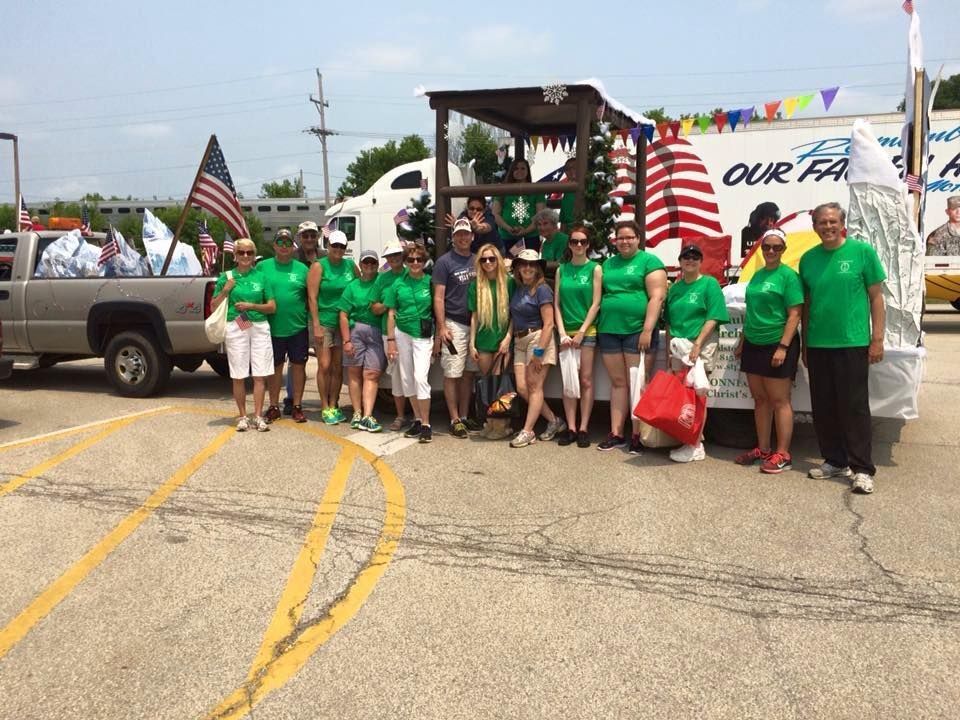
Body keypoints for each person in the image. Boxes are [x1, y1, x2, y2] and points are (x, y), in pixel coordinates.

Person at [800, 202, 886, 494]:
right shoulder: (808, 259)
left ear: (842, 223)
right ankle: (834, 460)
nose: (827, 227)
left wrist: (877, 339)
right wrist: (804, 344)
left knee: (854, 407)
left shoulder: (862, 253)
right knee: (823, 407)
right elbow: (808, 304)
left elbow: (876, 298)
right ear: (815, 227)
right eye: (822, 222)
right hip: (818, 343)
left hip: (853, 342)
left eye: (832, 221)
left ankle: (862, 468)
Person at [733, 228, 803, 473]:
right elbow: (752, 311)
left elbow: (795, 313)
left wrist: (783, 347)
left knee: (779, 400)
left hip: (777, 342)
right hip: (754, 342)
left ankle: (783, 453)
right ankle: (763, 449)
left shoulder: (788, 276)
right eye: (767, 247)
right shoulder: (758, 275)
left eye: (777, 247)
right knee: (760, 400)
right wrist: (742, 340)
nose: (771, 251)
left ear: (784, 250)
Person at [596, 220, 668, 454]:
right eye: (620, 238)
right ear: (615, 240)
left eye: (629, 237)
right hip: (609, 329)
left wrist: (647, 330)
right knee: (618, 383)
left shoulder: (649, 261)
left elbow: (656, 298)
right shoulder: (608, 263)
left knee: (638, 384)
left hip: (637, 331)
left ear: (638, 238)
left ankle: (638, 434)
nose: (625, 241)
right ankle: (617, 433)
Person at [664, 242, 730, 463]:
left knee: (697, 396)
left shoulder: (709, 284)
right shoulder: (674, 288)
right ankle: (687, 438)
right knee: (683, 396)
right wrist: (668, 353)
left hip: (699, 347)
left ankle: (696, 444)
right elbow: (669, 323)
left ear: (701, 261)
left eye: (695, 257)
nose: (690, 260)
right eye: (686, 257)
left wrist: (698, 344)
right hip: (678, 348)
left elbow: (713, 316)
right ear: (680, 262)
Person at [210, 238, 276, 432]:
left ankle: (257, 416)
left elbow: (272, 307)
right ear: (235, 255)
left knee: (259, 374)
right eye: (241, 253)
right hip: (237, 325)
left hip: (259, 325)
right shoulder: (227, 276)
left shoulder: (262, 277)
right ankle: (243, 416)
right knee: (238, 374)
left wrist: (251, 306)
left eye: (249, 253)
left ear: (254, 255)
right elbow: (213, 305)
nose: (245, 256)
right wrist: (225, 290)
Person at [508, 249, 565, 448]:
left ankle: (528, 431)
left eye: (532, 264)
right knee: (523, 388)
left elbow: (549, 323)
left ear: (538, 268)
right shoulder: (518, 287)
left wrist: (539, 352)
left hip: (538, 339)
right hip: (520, 341)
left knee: (534, 387)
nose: (528, 267)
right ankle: (554, 420)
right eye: (523, 263)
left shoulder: (542, 289)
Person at [553, 224, 602, 448]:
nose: (579, 245)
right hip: (565, 332)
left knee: (585, 379)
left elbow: (596, 303)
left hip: (587, 332)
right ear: (569, 244)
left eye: (583, 241)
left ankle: (583, 427)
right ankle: (571, 427)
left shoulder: (595, 269)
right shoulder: (561, 269)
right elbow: (556, 304)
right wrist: (562, 332)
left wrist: (582, 332)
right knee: (568, 381)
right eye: (574, 242)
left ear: (588, 244)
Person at [433, 217, 480, 438]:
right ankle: (453, 418)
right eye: (458, 234)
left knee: (469, 373)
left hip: (474, 323)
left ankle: (463, 415)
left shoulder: (478, 259)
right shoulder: (444, 262)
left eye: (466, 233)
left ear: (472, 236)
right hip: (454, 323)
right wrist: (441, 327)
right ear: (453, 237)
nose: (462, 237)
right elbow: (439, 297)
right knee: (452, 372)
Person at [384, 245, 437, 444]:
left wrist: (439, 337)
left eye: (419, 260)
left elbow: (438, 309)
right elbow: (390, 313)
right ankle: (417, 419)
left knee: (420, 377)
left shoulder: (430, 282)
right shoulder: (398, 283)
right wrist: (391, 342)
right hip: (402, 333)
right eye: (411, 260)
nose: (415, 263)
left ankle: (426, 423)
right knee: (407, 379)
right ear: (406, 262)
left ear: (424, 262)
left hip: (422, 335)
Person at [307, 230, 358, 425]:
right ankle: (324, 405)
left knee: (338, 367)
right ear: (328, 246)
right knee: (324, 365)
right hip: (325, 321)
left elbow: (360, 286)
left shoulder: (350, 265)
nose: (338, 250)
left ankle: (334, 404)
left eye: (341, 246)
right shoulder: (319, 266)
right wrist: (317, 325)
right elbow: (312, 297)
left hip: (344, 323)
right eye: (334, 246)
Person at [259, 229, 309, 424]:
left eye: (288, 243)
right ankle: (273, 406)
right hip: (272, 328)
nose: (284, 246)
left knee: (298, 367)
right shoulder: (262, 267)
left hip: (298, 327)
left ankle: (297, 406)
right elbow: (252, 292)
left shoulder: (302, 269)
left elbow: (311, 296)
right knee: (275, 368)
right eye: (280, 242)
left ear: (293, 246)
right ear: (274, 245)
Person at [468, 243, 514, 439]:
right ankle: (490, 423)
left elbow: (514, 314)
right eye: (484, 259)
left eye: (492, 259)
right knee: (487, 384)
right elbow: (474, 316)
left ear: (498, 261)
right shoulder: (476, 285)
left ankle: (502, 426)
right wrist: (471, 343)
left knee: (500, 384)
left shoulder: (510, 283)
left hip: (503, 339)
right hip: (484, 339)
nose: (488, 262)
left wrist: (508, 338)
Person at [338, 249, 386, 432]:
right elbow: (343, 314)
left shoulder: (381, 283)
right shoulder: (352, 286)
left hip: (376, 331)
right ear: (360, 264)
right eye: (366, 263)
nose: (369, 266)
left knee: (372, 373)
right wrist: (346, 340)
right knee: (354, 373)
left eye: (373, 263)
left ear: (377, 265)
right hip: (356, 330)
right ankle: (357, 412)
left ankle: (368, 414)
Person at [281, 220, 325, 416]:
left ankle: (330, 399)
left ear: (317, 237)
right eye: (305, 235)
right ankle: (292, 398)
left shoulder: (325, 256)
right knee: (296, 361)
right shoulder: (291, 257)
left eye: (312, 235)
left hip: (322, 315)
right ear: (299, 238)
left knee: (325, 361)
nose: (309, 239)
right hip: (298, 315)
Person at [370, 242, 410, 431]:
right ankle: (400, 415)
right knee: (396, 376)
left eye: (396, 255)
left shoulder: (411, 273)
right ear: (386, 259)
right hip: (390, 334)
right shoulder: (382, 279)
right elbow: (375, 308)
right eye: (390, 256)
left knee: (413, 374)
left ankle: (418, 416)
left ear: (402, 256)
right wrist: (389, 303)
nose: (394, 258)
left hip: (412, 331)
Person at [492, 158, 545, 256]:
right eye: (516, 168)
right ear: (511, 171)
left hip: (530, 237)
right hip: (506, 236)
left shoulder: (537, 190)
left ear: (528, 171)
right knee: (508, 266)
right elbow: (495, 214)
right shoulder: (502, 189)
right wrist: (508, 228)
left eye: (523, 168)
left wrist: (526, 231)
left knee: (530, 266)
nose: (519, 171)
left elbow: (540, 215)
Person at [535, 209, 569, 277]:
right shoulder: (545, 242)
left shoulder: (563, 239)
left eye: (545, 223)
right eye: (539, 224)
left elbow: (561, 264)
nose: (542, 227)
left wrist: (536, 264)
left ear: (554, 224)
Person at [558, 157, 578, 232]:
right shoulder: (566, 191)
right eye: (568, 169)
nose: (571, 171)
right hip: (569, 235)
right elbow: (563, 222)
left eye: (575, 167)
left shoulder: (589, 186)